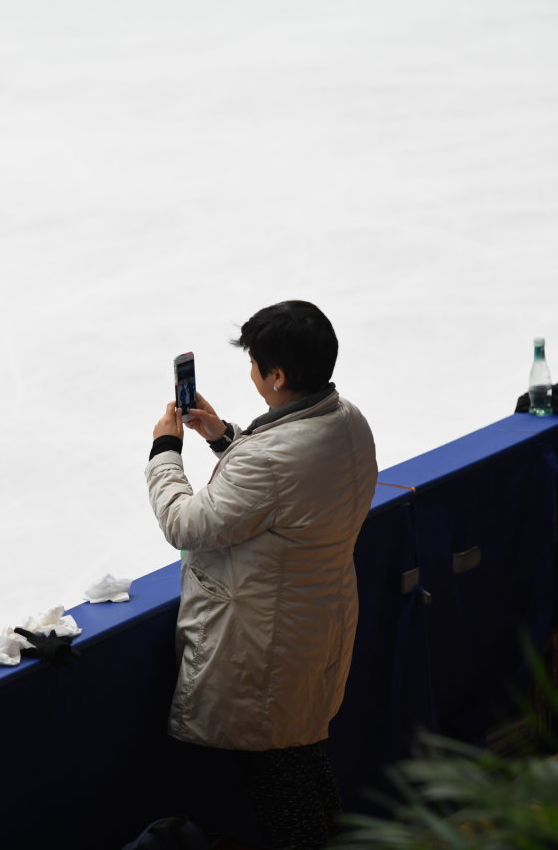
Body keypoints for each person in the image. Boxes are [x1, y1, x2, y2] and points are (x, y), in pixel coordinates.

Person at [146, 300, 378, 849]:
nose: (251, 372)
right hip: (315, 624)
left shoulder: (270, 460)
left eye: (255, 364)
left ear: (277, 375)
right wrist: (223, 435)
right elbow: (285, 495)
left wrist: (166, 449)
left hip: (267, 649)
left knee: (280, 783)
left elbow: (185, 523)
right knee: (302, 759)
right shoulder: (347, 420)